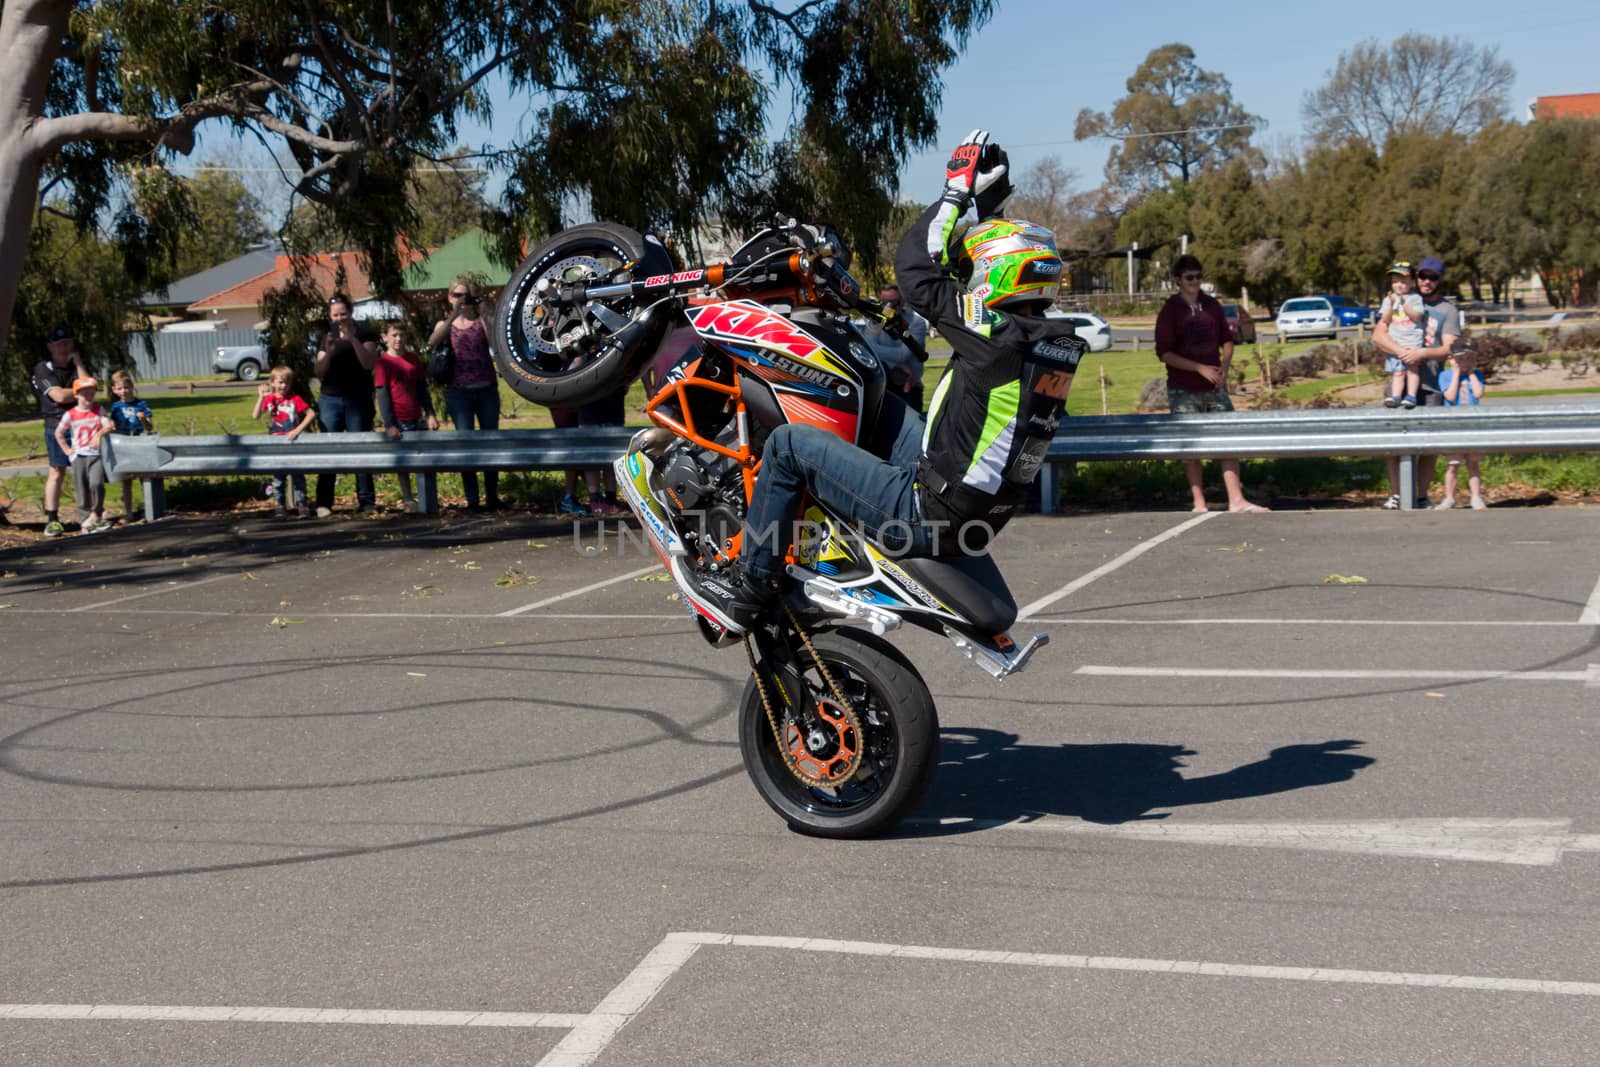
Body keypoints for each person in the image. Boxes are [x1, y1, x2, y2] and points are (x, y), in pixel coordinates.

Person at [694, 129, 1088, 633]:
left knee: (790, 447)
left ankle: (748, 587)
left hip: (928, 512)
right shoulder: (1050, 340)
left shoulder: (996, 337)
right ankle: (820, 513)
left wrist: (955, 192)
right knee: (877, 404)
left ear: (997, 277)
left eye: (974, 270)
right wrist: (990, 206)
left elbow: (917, 270)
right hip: (972, 504)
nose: (965, 278)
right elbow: (982, 265)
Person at [1154, 255, 1268, 514]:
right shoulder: (1171, 310)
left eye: (1198, 276)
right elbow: (1165, 353)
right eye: (1189, 278)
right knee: (1191, 446)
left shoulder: (1211, 305)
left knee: (1227, 440)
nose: (1195, 282)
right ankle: (1199, 502)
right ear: (1178, 281)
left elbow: (1227, 339)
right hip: (1184, 388)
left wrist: (1224, 369)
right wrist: (1198, 368)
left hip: (1215, 388)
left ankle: (1236, 499)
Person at [1374, 255, 1461, 509]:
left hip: (1430, 383)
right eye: (1422, 276)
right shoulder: (1399, 299)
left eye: (1432, 277)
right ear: (1414, 279)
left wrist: (1421, 354)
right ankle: (1397, 494)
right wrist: (1402, 352)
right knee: (1393, 441)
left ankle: (1421, 495)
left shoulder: (1447, 310)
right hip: (1399, 380)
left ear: (1439, 280)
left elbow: (1449, 348)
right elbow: (1378, 336)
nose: (1427, 281)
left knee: (1428, 444)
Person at [428, 278, 502, 512]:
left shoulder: (480, 321)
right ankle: (472, 499)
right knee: (465, 444)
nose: (461, 299)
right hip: (459, 392)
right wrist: (452, 316)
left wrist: (484, 314)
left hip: (486, 389)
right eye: (456, 295)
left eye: (465, 295)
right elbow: (432, 342)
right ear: (449, 297)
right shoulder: (446, 322)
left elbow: (495, 345)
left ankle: (492, 496)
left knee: (491, 443)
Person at [312, 293, 380, 516]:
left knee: (361, 448)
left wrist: (352, 339)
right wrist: (329, 354)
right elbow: (319, 372)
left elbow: (369, 363)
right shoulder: (327, 337)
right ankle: (323, 501)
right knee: (328, 449)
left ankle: (367, 500)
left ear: (351, 313)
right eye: (335, 315)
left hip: (357, 398)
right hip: (331, 398)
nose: (339, 319)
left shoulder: (365, 334)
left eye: (343, 314)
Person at [29, 325, 90, 537]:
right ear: (50, 347)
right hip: (56, 425)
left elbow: (89, 387)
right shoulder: (43, 369)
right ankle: (53, 519)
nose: (64, 348)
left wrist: (79, 364)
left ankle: (90, 516)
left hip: (82, 425)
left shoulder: (76, 368)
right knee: (57, 471)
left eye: (67, 343)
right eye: (59, 344)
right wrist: (80, 393)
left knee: (86, 469)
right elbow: (59, 397)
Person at [374, 322, 440, 513]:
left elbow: (422, 388)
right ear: (385, 337)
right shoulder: (383, 363)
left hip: (416, 417)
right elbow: (382, 394)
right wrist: (389, 423)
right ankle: (408, 498)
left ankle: (427, 498)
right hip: (398, 420)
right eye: (394, 335)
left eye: (401, 335)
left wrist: (431, 413)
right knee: (402, 462)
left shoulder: (412, 359)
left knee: (424, 458)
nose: (398, 339)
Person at [254, 366, 317, 517]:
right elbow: (256, 416)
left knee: (298, 476)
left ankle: (302, 505)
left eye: (287, 383)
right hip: (276, 442)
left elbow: (311, 414)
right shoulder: (270, 399)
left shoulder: (294, 399)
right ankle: (280, 505)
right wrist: (261, 396)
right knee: (278, 478)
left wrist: (297, 430)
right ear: (272, 383)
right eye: (280, 382)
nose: (283, 386)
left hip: (292, 441)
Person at [53, 377, 114, 534]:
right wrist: (67, 450)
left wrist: (99, 434)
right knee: (81, 488)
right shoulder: (70, 414)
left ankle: (97, 513)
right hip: (79, 455)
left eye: (91, 394)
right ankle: (85, 521)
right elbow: (59, 432)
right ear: (76, 396)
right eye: (84, 394)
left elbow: (109, 425)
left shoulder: (98, 410)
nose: (88, 397)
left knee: (96, 484)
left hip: (96, 454)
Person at [862, 284, 931, 412]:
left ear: (901, 302)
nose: (887, 306)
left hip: (909, 388)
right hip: (883, 387)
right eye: (884, 302)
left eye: (892, 302)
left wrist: (886, 360)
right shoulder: (874, 323)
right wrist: (895, 366)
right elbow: (867, 349)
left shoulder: (916, 322)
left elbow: (903, 354)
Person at [1436, 350, 1487, 510]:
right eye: (1461, 359)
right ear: (1453, 360)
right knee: (1453, 464)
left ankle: (1476, 497)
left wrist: (1471, 374)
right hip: (1454, 425)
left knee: (1473, 463)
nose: (1466, 363)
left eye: (1470, 359)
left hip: (1473, 425)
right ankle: (1449, 498)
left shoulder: (1476, 374)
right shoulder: (1446, 375)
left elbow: (1478, 393)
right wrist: (1456, 373)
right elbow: (1450, 397)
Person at [1377, 262, 1427, 408]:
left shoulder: (1416, 298)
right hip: (1395, 344)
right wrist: (1392, 305)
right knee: (1398, 373)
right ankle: (1396, 397)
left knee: (1412, 371)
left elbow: (1417, 317)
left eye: (1403, 282)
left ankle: (1411, 396)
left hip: (1412, 343)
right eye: (1395, 281)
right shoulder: (1388, 299)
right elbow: (1385, 320)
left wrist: (1404, 304)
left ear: (1412, 282)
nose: (1399, 285)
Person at [107, 370, 154, 522]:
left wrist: (143, 420)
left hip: (139, 441)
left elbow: (149, 428)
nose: (124, 391)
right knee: (125, 479)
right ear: (114, 390)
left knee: (143, 476)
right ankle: (128, 512)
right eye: (120, 389)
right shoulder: (115, 407)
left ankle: (149, 509)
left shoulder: (141, 404)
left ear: (132, 387)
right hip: (123, 442)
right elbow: (112, 423)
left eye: (126, 388)